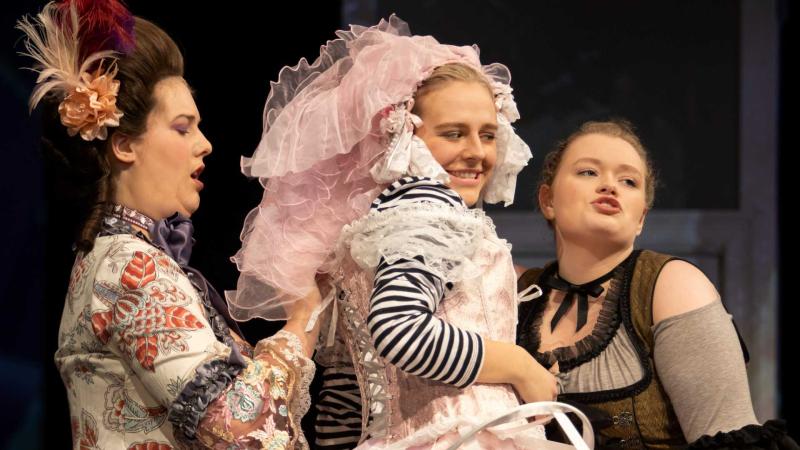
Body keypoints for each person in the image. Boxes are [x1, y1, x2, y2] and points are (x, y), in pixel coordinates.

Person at [228, 15, 560, 449]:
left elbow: (346, 391)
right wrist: (518, 365)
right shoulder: (429, 206)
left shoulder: (376, 224)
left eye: (487, 134)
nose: (477, 152)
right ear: (406, 134)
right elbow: (399, 329)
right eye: (453, 134)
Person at [18, 1, 320, 448]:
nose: (206, 144)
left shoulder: (115, 259)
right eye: (183, 128)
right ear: (124, 145)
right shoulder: (130, 268)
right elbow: (241, 430)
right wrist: (301, 325)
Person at [516, 119, 798, 448]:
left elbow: (730, 439)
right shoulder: (517, 293)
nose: (610, 186)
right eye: (588, 172)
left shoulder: (672, 287)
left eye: (628, 181)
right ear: (548, 200)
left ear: (641, 219)